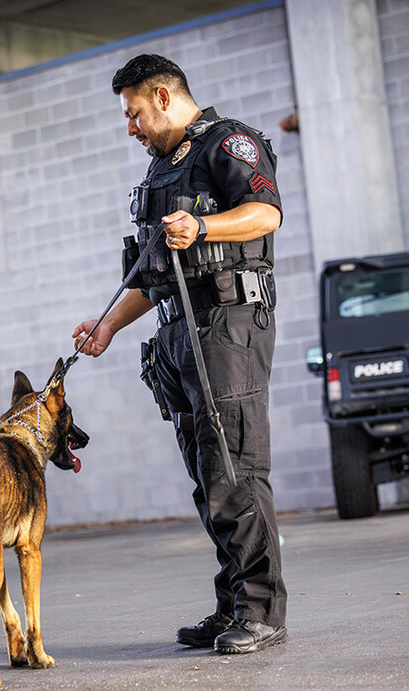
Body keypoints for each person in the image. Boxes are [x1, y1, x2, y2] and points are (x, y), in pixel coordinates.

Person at [71, 54, 287, 654]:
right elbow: (151, 272)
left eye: (134, 113)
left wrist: (205, 229)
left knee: (234, 468)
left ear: (163, 97)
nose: (130, 127)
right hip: (177, 334)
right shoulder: (163, 171)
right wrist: (108, 327)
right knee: (205, 477)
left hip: (227, 324)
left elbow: (265, 213)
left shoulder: (231, 144)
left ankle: (263, 610)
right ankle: (232, 605)